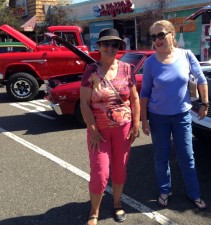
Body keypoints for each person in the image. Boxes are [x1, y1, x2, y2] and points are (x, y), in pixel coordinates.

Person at [140, 20, 208, 210]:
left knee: (187, 156)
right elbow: (144, 93)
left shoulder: (186, 55)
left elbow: (202, 80)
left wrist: (205, 103)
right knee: (161, 157)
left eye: (161, 35)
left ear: (172, 35)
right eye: (153, 37)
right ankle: (164, 190)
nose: (157, 40)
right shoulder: (151, 62)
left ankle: (194, 193)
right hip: (157, 118)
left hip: (181, 117)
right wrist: (144, 120)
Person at [80, 28, 140, 225]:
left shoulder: (127, 68)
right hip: (100, 131)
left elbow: (134, 98)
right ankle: (94, 211)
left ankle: (116, 204)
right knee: (100, 172)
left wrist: (136, 124)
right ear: (98, 46)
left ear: (119, 48)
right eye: (106, 43)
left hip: (124, 128)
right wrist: (94, 130)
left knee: (120, 169)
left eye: (114, 44)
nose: (110, 47)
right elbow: (84, 103)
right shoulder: (90, 70)